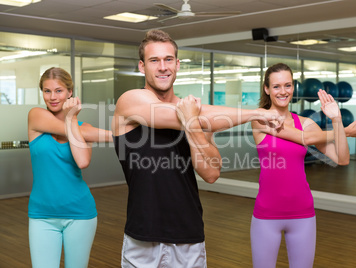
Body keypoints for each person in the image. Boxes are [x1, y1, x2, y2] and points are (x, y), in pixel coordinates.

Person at [111, 29, 293, 268]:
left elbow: (211, 173)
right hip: (143, 236)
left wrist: (194, 126)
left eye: (168, 60)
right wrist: (257, 113)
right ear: (142, 66)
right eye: (154, 60)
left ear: (177, 64)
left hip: (189, 234)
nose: (162, 67)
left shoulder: (195, 112)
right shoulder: (130, 100)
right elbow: (173, 115)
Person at [249, 62, 356, 268]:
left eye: (288, 85)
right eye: (276, 86)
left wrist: (336, 119)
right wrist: (345, 131)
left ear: (293, 88)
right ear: (267, 89)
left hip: (303, 213)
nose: (283, 91)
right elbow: (303, 138)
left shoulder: (306, 122)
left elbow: (342, 159)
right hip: (267, 214)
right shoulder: (260, 118)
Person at [27, 67, 112, 268]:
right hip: (42, 216)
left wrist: (72, 117)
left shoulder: (84, 127)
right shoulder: (36, 116)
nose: (52, 97)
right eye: (47, 91)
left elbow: (83, 161)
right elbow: (69, 130)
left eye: (59, 91)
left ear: (70, 92)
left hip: (80, 214)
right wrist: (122, 137)